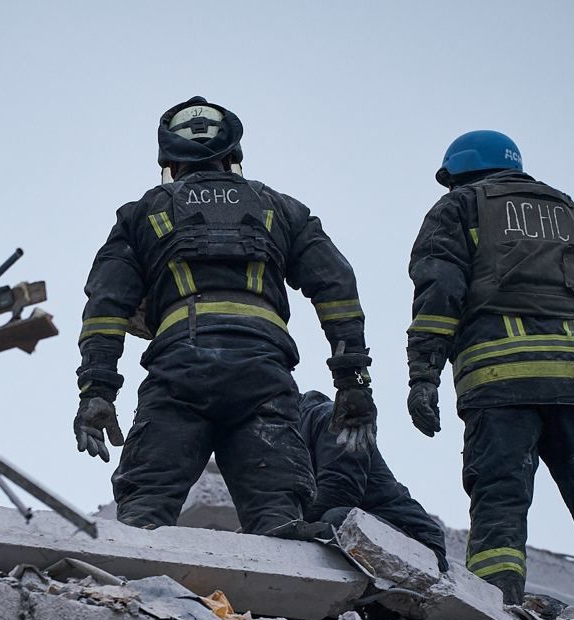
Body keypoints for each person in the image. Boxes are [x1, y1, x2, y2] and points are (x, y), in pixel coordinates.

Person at [74, 96, 376, 536]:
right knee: (278, 515)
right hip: (263, 377)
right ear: (232, 155)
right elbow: (338, 288)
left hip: (179, 374)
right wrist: (352, 382)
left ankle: (128, 599)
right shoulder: (279, 209)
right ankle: (286, 601)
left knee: (144, 511)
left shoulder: (144, 212)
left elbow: (105, 306)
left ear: (170, 163)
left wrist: (96, 390)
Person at [404, 129, 574, 619]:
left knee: (499, 507)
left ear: (457, 173)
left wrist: (423, 375)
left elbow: (439, 291)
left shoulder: (460, 209)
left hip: (499, 385)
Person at [297, 389, 448, 570]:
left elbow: (340, 490)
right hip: (369, 528)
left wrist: (290, 523)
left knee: (338, 521)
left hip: (418, 542)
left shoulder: (330, 417)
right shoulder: (282, 441)